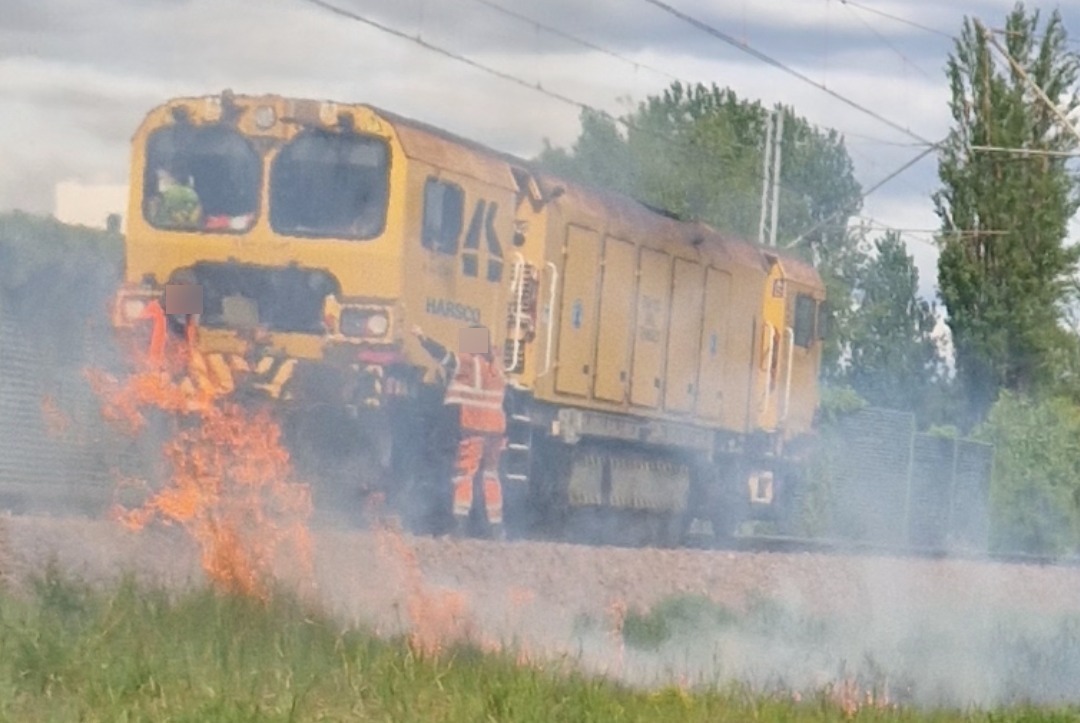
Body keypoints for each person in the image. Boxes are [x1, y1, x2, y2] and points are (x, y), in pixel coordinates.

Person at [412, 324, 508, 540]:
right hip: (496, 430)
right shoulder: (496, 370)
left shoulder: (468, 364)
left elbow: (443, 356)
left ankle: (459, 526)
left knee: (464, 474)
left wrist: (422, 337)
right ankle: (497, 528)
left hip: (474, 427)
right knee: (491, 475)